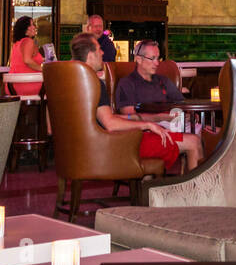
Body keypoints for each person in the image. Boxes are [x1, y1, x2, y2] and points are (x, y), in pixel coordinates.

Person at [71, 31, 201, 172]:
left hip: (83, 146)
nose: (103, 52)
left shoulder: (73, 80)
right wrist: (148, 124)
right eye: (99, 49)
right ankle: (197, 192)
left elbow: (103, 119)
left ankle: (150, 185)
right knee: (193, 141)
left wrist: (142, 119)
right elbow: (110, 124)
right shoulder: (94, 83)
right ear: (91, 55)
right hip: (112, 146)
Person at [114, 39, 183, 117]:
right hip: (142, 128)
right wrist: (160, 118)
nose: (157, 63)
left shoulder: (164, 81)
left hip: (172, 125)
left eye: (157, 58)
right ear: (139, 59)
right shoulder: (127, 83)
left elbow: (181, 105)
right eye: (152, 58)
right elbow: (129, 116)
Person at [6, 16, 44, 97]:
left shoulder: (16, 44)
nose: (35, 27)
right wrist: (44, 70)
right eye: (32, 25)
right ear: (25, 29)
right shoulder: (28, 41)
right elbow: (27, 60)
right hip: (27, 84)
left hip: (13, 85)